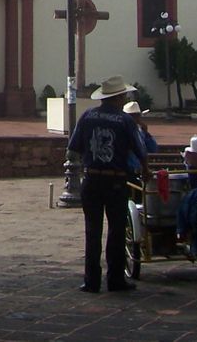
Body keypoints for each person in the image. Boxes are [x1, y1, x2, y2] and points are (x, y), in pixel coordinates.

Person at [68, 74, 148, 294]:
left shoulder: (87, 116)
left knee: (92, 231)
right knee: (116, 231)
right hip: (115, 180)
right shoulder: (125, 121)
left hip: (92, 178)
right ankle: (115, 279)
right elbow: (141, 150)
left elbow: (73, 148)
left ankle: (91, 281)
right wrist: (146, 170)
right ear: (119, 97)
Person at [123, 101, 159, 177]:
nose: (136, 119)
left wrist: (146, 133)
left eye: (137, 116)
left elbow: (153, 148)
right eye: (133, 116)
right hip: (125, 170)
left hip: (137, 170)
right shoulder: (121, 132)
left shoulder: (140, 132)